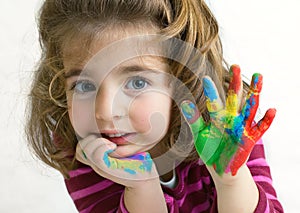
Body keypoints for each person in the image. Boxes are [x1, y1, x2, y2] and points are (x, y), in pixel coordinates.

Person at [25, 0, 283, 212]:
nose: (104, 112)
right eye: (84, 86)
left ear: (182, 80)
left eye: (137, 83)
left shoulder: (226, 129)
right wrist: (142, 187)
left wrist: (231, 182)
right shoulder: (85, 152)